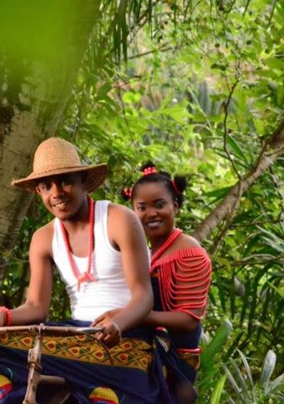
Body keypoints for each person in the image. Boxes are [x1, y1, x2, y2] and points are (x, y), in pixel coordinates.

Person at [0, 138, 161, 403]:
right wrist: (3, 317)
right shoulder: (43, 238)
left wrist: (118, 323)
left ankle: (100, 391)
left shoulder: (118, 220)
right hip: (75, 338)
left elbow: (144, 296)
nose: (57, 192)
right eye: (46, 186)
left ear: (82, 181)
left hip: (126, 336)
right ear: (38, 192)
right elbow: (37, 307)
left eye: (65, 181)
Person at [117, 162, 212, 402]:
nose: (151, 213)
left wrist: (132, 316)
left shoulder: (188, 252)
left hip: (175, 363)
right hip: (142, 352)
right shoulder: (145, 252)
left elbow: (189, 319)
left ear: (176, 206)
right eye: (142, 207)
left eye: (159, 205)